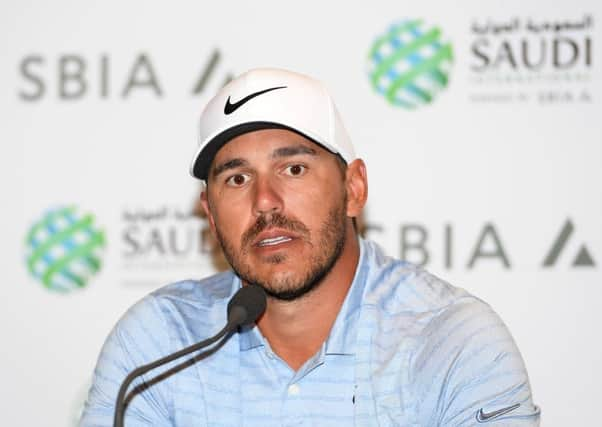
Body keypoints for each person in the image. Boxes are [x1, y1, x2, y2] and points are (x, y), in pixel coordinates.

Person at [80, 68, 540, 426]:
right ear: (210, 211)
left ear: (354, 188)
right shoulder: (158, 343)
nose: (264, 202)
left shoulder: (453, 341)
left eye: (293, 169)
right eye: (237, 179)